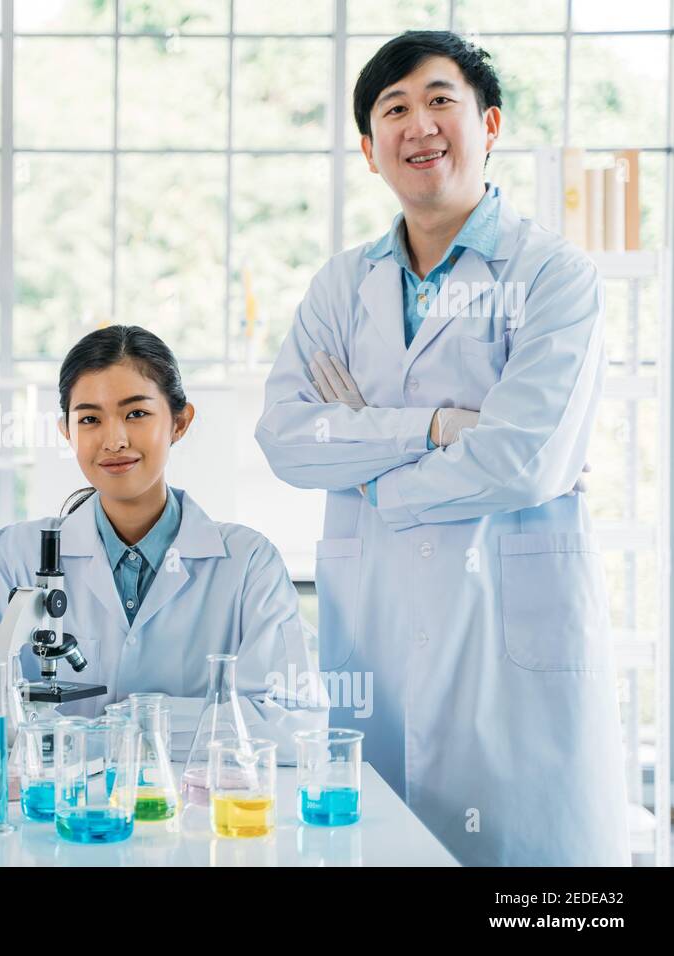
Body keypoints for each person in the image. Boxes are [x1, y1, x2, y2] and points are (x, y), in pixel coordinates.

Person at [256, 31, 627, 865]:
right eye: (394, 109)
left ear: (488, 125)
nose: (418, 124)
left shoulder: (553, 275)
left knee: (530, 891)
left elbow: (525, 458)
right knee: (377, 843)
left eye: (439, 100)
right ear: (368, 147)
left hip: (512, 638)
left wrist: (370, 470)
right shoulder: (340, 286)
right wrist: (429, 427)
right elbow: (285, 438)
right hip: (377, 637)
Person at [0, 325, 326, 762]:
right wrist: (157, 732)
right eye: (90, 419)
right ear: (66, 432)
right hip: (51, 819)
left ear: (180, 422)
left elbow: (293, 727)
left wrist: (125, 726)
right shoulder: (13, 556)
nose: (113, 440)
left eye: (135, 414)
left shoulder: (248, 563)